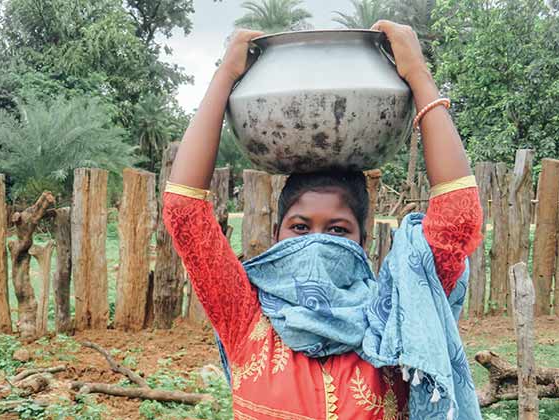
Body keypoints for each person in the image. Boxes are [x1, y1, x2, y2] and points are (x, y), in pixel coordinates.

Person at [163, 20, 483, 420]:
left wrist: (418, 73)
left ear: (363, 241)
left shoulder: (396, 321)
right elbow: (184, 213)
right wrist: (224, 75)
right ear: (277, 236)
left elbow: (458, 219)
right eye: (300, 227)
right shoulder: (245, 319)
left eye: (337, 230)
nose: (316, 242)